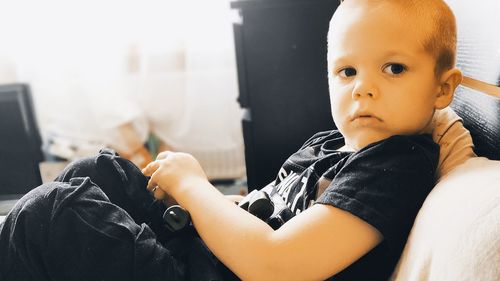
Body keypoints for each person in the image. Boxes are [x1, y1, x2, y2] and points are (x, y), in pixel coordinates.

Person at [0, 0, 463, 280]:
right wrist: (206, 205)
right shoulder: (327, 144)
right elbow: (261, 204)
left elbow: (277, 266)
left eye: (394, 68)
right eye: (347, 71)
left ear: (443, 88)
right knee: (98, 173)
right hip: (205, 255)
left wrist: (196, 188)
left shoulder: (395, 164)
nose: (363, 87)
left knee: (52, 214)